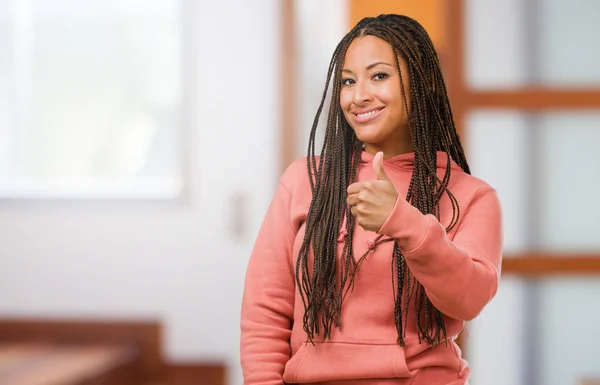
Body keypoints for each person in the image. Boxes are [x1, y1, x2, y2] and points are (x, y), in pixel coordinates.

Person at [240, 13, 502, 385]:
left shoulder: (472, 197)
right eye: (348, 81)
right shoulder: (305, 180)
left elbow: (469, 299)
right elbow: (265, 312)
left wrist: (405, 224)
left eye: (379, 75)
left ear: (422, 82)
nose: (359, 95)